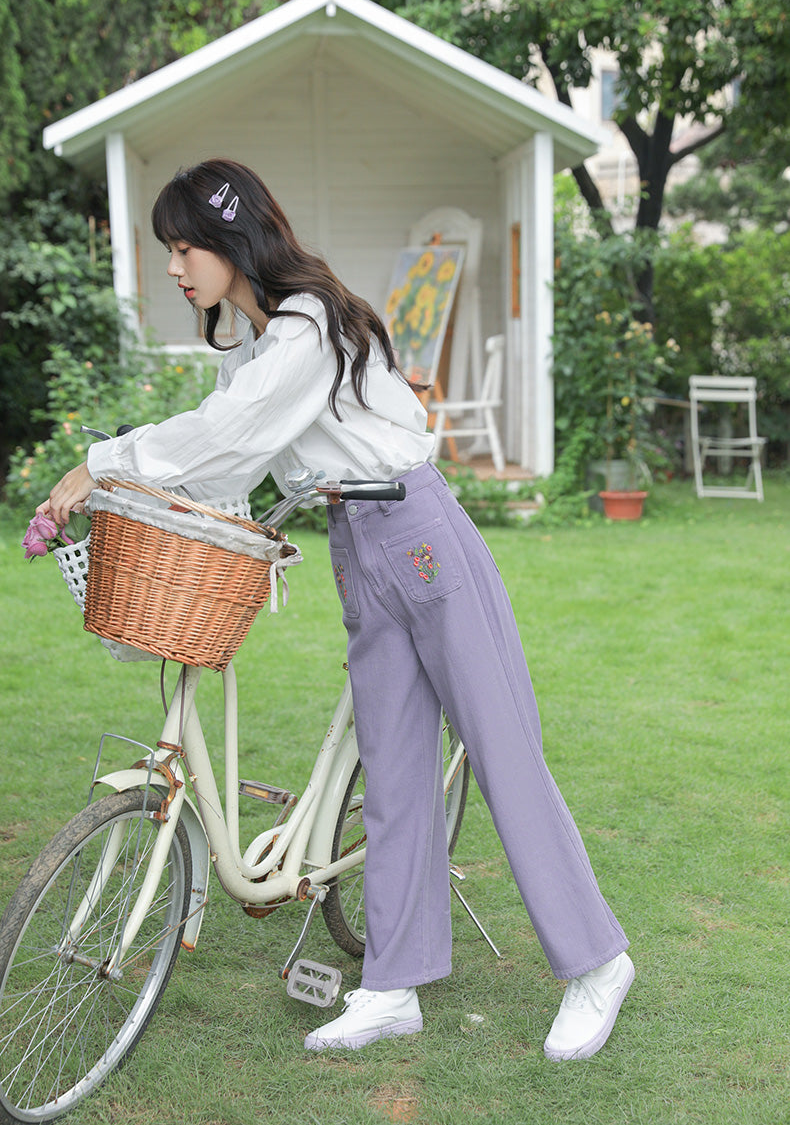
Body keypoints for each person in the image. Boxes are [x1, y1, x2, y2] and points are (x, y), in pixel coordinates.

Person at [39, 157, 634, 1060]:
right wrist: (141, 487)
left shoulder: (306, 325)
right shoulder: (254, 337)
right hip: (357, 542)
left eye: (185, 244)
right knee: (393, 774)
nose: (174, 266)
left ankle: (597, 960)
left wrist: (106, 461)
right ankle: (393, 982)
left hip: (418, 530)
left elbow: (231, 436)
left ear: (232, 239)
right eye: (169, 247)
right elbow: (233, 451)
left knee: (502, 747)